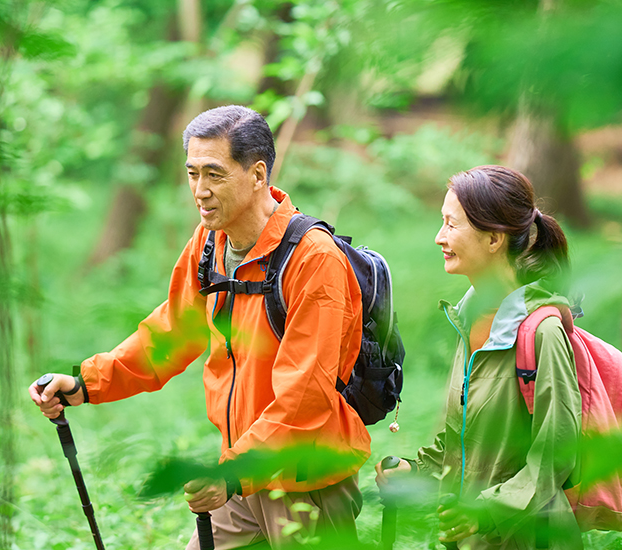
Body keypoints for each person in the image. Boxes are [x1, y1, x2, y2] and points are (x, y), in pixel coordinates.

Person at [30, 105, 370, 549]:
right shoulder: (211, 241)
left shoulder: (313, 259)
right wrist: (85, 383)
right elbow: (173, 331)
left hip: (305, 481)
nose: (200, 190)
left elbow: (305, 396)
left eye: (215, 174)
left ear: (257, 174)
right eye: (192, 173)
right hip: (240, 476)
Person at [375, 165, 582, 549]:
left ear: (493, 238)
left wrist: (486, 512)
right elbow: (464, 437)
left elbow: (556, 457)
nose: (440, 237)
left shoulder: (542, 331)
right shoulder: (468, 319)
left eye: (452, 225)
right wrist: (418, 471)